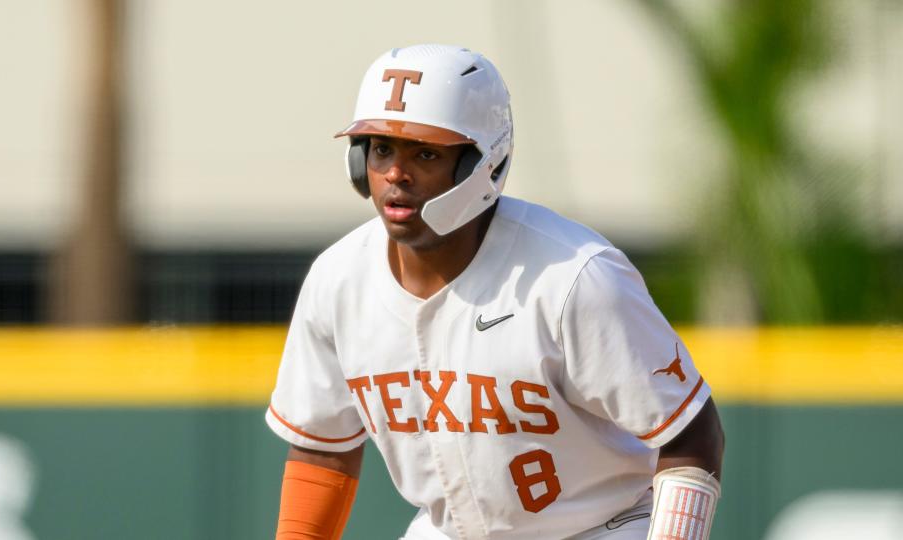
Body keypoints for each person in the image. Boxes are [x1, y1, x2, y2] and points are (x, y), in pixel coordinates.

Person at [266, 44, 725, 540]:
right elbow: (323, 448)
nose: (395, 173)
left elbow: (693, 434)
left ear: (481, 164)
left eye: (425, 152)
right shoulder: (337, 281)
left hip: (601, 526)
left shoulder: (573, 275)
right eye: (381, 149)